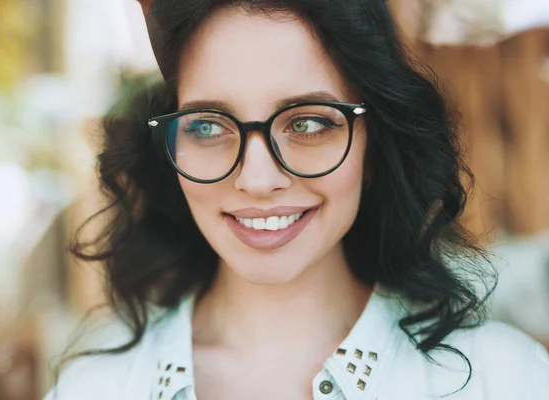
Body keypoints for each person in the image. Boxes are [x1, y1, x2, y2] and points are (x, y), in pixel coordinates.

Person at [44, 0, 549, 399]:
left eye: (307, 123)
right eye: (207, 125)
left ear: (374, 148)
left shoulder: (502, 380)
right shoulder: (96, 387)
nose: (258, 180)